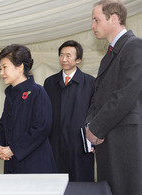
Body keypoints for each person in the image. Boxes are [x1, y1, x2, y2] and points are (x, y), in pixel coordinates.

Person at [85, 1, 142, 194]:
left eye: (96, 20)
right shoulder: (108, 55)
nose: (92, 26)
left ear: (114, 19)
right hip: (106, 140)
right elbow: (97, 97)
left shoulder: (134, 46)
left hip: (124, 141)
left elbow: (126, 94)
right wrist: (90, 128)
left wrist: (97, 128)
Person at [0, 44, 56, 173]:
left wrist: (13, 150)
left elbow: (41, 128)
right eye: (0, 69)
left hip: (35, 164)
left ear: (20, 67)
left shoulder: (38, 92)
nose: (1, 73)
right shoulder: (10, 94)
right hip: (13, 163)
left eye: (4, 68)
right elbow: (4, 126)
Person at [44, 40, 95, 182]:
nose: (64, 59)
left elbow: (95, 112)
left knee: (81, 183)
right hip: (55, 143)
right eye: (61, 55)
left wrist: (93, 141)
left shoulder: (90, 82)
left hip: (80, 144)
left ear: (78, 60)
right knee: (56, 184)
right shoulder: (49, 82)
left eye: (68, 55)